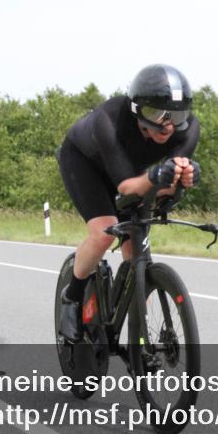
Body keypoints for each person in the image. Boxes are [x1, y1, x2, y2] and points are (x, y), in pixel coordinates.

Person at [56, 64, 201, 341]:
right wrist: (158, 176)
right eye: (155, 113)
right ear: (137, 109)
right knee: (103, 232)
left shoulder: (189, 129)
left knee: (135, 251)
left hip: (131, 172)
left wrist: (185, 177)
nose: (166, 124)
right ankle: (71, 298)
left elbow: (163, 185)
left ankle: (137, 334)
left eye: (176, 114)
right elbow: (125, 188)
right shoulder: (109, 119)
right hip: (85, 164)